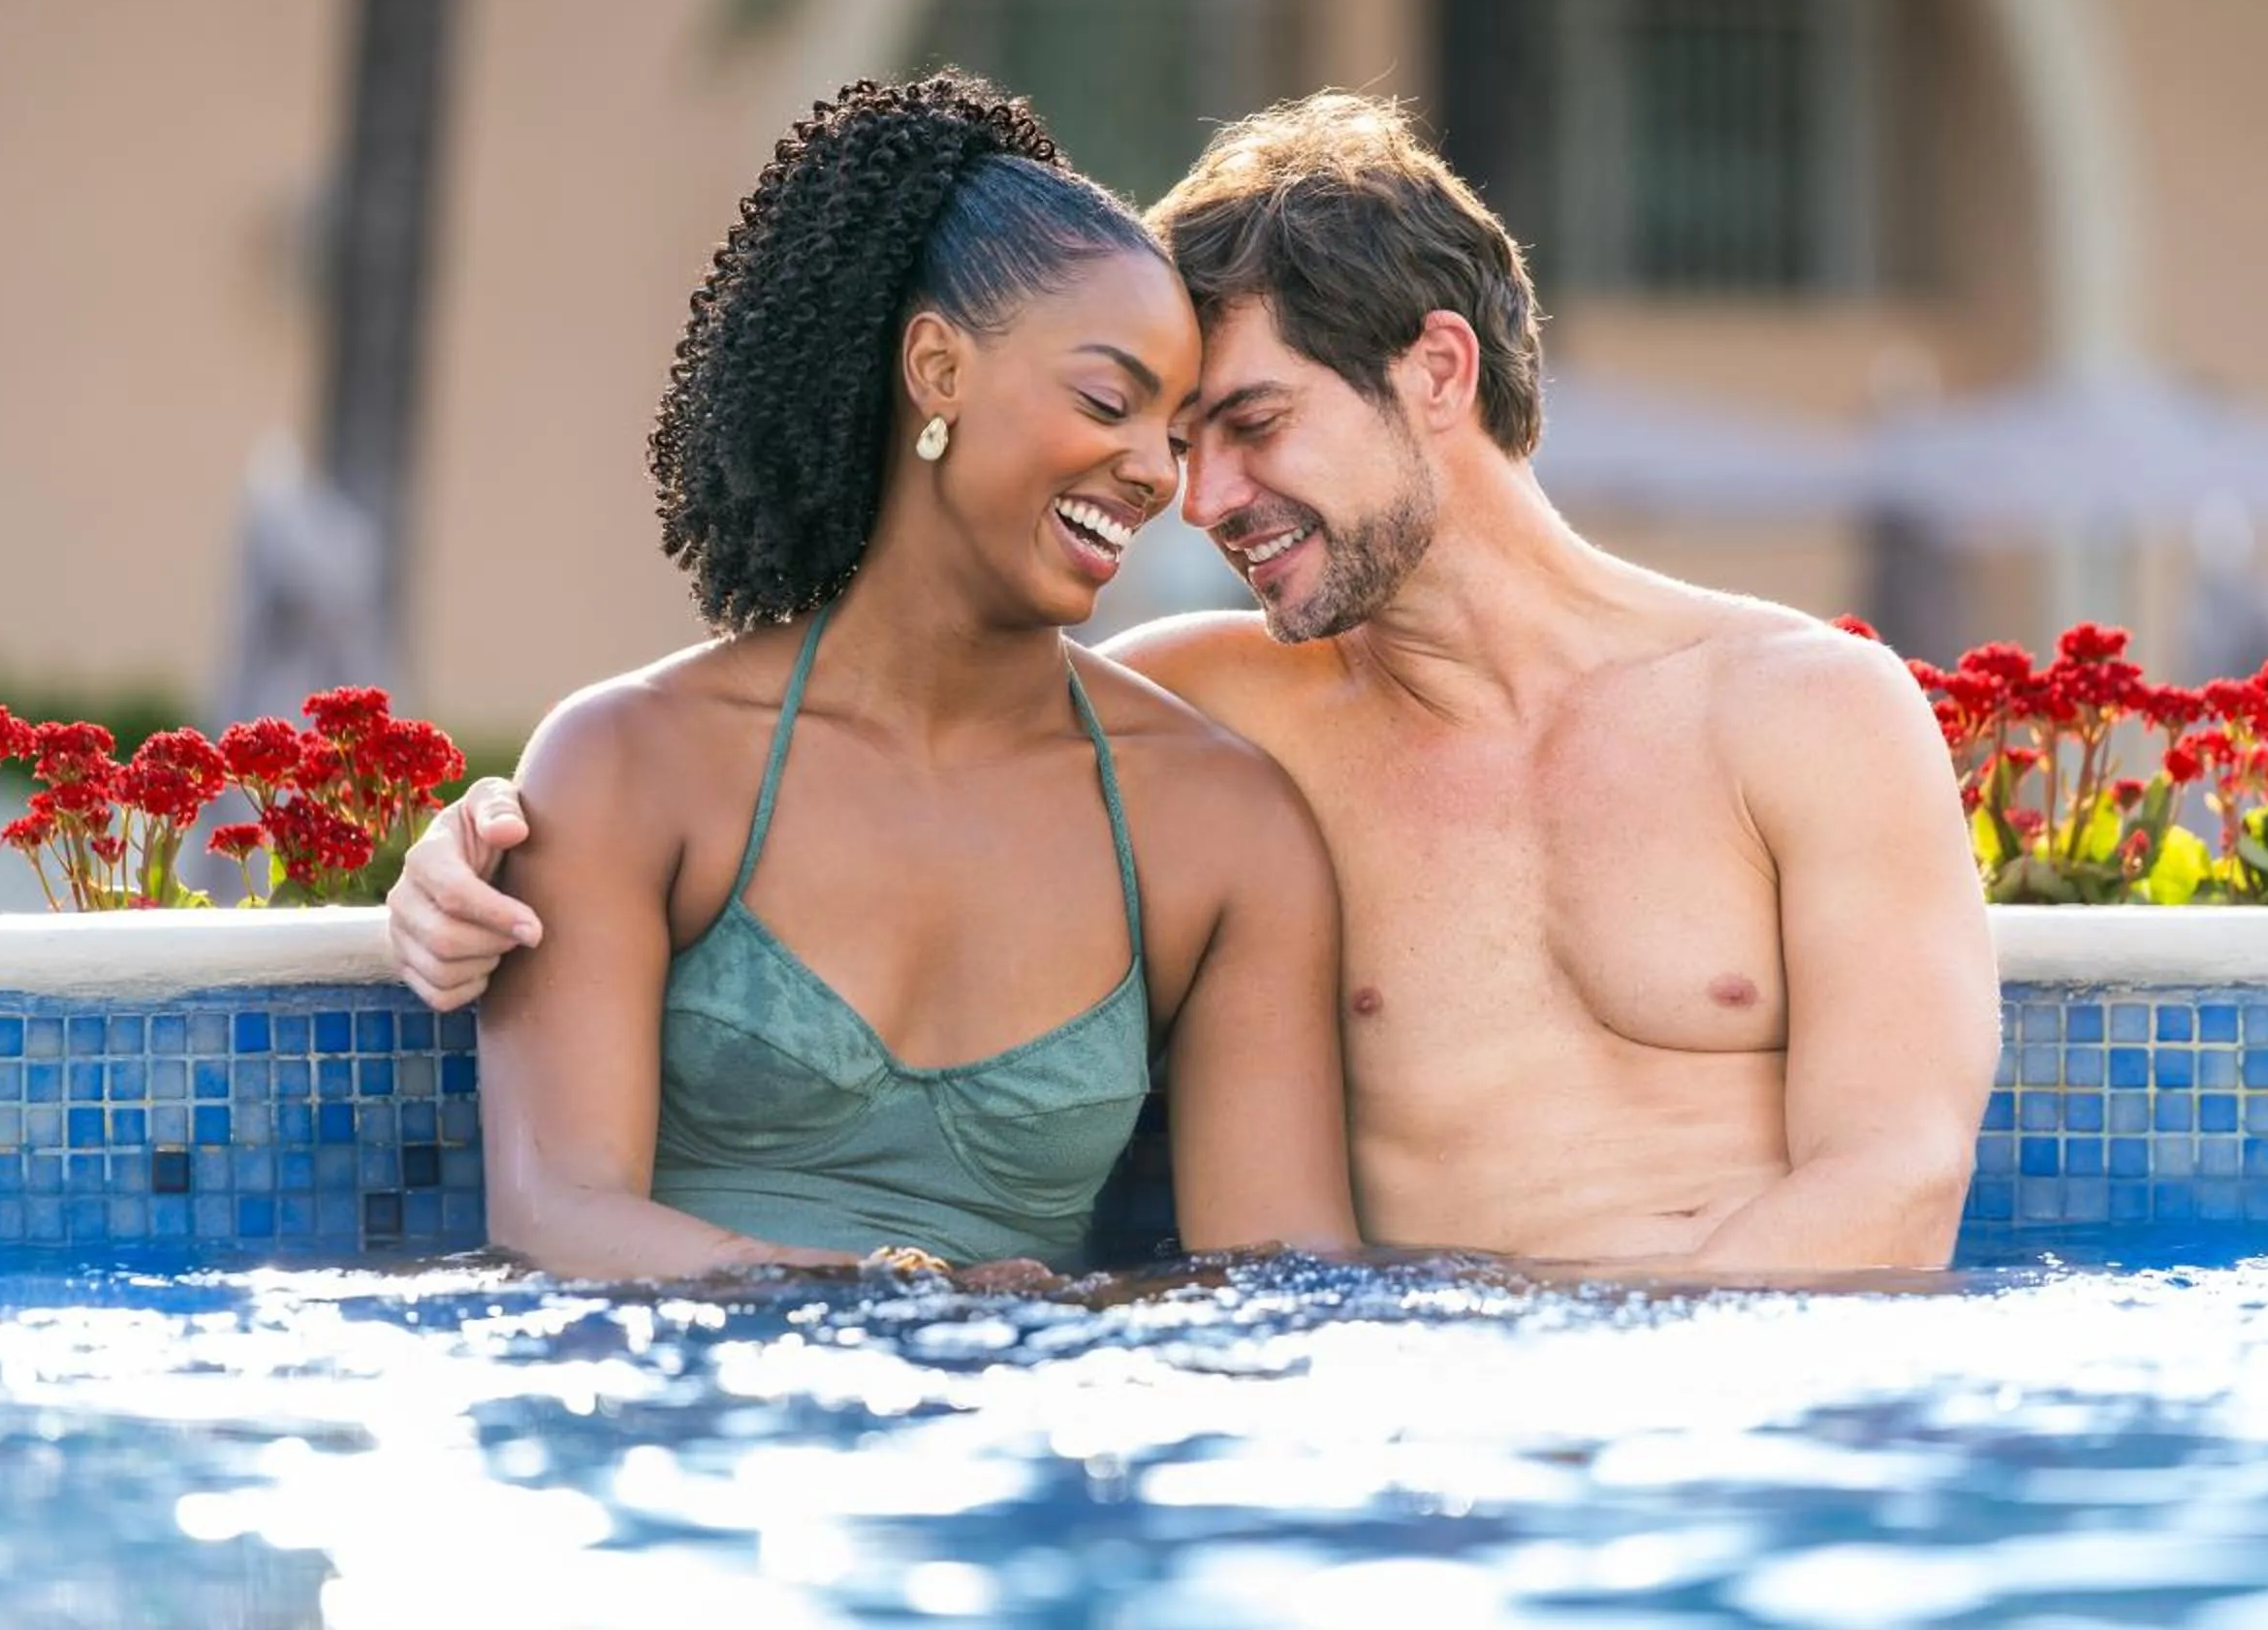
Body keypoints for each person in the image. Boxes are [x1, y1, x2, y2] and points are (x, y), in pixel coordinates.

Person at [396, 93, 1998, 1276]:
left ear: (1436, 373)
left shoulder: (1808, 715)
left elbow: (1898, 1184)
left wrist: (1613, 1426)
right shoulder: (1213, 725)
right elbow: (903, 726)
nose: (1197, 494)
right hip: (1422, 1445)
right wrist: (460, 849)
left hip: (1760, 1442)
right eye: (1172, 432)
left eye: (1247, 424)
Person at [438, 76, 1354, 1281]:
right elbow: (556, 1213)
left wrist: (1050, 1323)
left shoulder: (1219, 826)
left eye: (1175, 434)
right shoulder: (637, 760)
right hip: (688, 1434)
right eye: (1106, 401)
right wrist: (889, 1295)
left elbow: (1285, 1289)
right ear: (937, 368)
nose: (1156, 474)